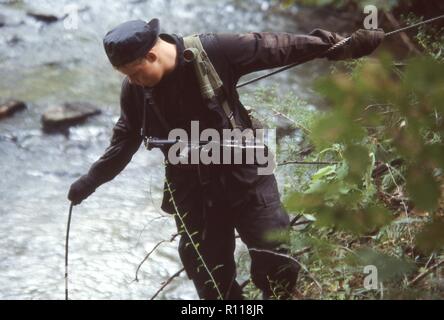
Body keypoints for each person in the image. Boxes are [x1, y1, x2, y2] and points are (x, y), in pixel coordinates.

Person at [67, 18, 384, 300]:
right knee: (209, 279)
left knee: (277, 258)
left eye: (136, 73)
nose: (133, 82)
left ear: (151, 54)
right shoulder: (134, 91)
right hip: (192, 193)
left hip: (247, 175)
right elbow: (124, 141)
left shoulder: (213, 51)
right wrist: (90, 181)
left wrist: (339, 47)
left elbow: (274, 47)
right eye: (128, 76)